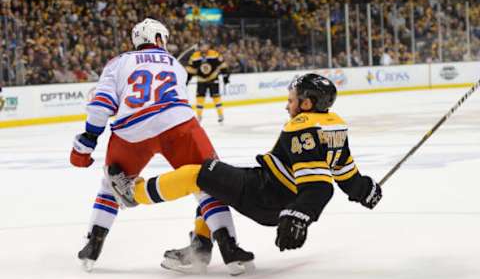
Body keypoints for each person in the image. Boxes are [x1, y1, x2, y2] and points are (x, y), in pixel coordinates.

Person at [107, 73, 383, 264]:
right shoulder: (334, 125)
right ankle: (202, 249)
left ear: (307, 103)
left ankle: (134, 193)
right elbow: (346, 176)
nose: (287, 105)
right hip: (277, 202)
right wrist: (365, 189)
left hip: (264, 193)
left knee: (198, 173)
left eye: (292, 100)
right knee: (213, 184)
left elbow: (319, 186)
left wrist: (300, 215)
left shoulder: (302, 126)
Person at [70, 18, 253, 275]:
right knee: (210, 181)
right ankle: (230, 250)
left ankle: (92, 245)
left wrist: (88, 141)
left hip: (131, 131)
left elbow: (101, 105)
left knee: (109, 186)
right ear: (158, 39)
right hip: (177, 125)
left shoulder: (118, 62)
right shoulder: (176, 65)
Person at [186, 41, 229, 123]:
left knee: (216, 97)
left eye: (206, 45)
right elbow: (190, 69)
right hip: (201, 79)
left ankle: (220, 115)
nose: (204, 47)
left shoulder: (214, 54)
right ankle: (199, 116)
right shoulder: (194, 56)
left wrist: (225, 76)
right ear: (199, 47)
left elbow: (223, 65)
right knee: (200, 98)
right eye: (202, 46)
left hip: (213, 78)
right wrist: (188, 79)